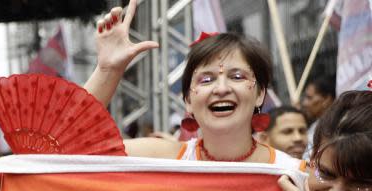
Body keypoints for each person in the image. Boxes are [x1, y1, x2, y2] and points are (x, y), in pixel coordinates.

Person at [84, 1, 302, 169]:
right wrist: (107, 70)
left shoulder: (293, 174)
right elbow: (61, 149)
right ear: (188, 100)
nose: (221, 88)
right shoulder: (163, 162)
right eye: (206, 80)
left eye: (237, 77)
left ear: (260, 94)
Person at [300, 76, 336, 159]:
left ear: (326, 99)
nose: (304, 103)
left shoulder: (337, 127)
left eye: (309, 98)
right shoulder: (315, 126)